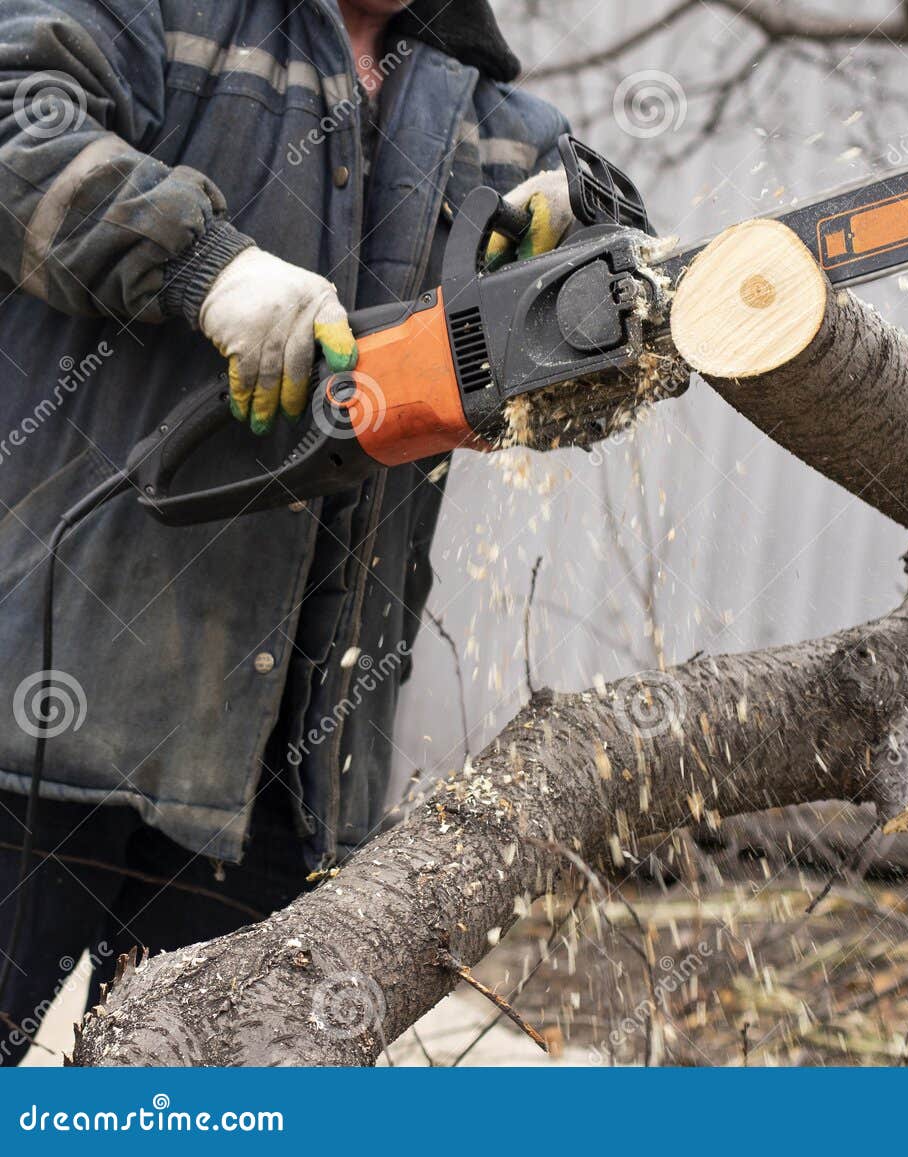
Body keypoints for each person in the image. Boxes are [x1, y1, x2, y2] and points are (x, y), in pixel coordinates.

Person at [0, 0, 574, 1062]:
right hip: (35, 709)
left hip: (286, 766)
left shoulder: (501, 127)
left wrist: (569, 262)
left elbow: (605, 305)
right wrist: (203, 262)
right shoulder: (153, 14)